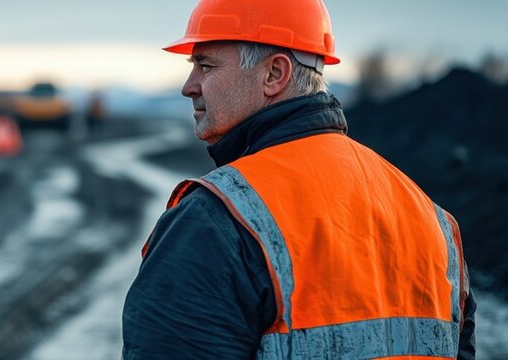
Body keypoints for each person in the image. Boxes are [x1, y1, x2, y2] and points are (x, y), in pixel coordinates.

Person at [121, 0, 476, 358]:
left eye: (205, 66)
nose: (189, 86)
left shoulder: (218, 217)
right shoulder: (432, 219)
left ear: (275, 74)